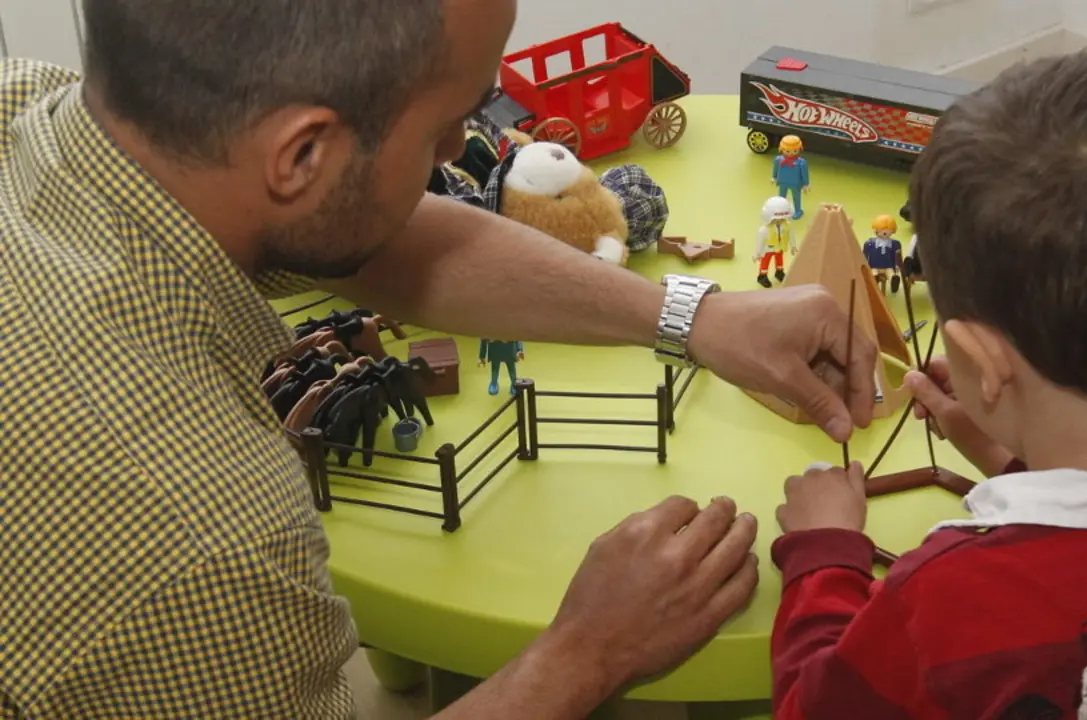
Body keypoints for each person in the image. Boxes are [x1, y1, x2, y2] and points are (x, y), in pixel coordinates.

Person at [0, 0, 884, 718]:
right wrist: (585, 655)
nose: (462, 150)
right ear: (302, 154)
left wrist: (695, 316)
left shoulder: (40, 103)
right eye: (445, 124)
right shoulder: (199, 544)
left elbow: (377, 230)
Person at [769, 52, 1087, 718]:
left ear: (984, 361)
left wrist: (823, 553)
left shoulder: (943, 598)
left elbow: (814, 708)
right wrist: (1008, 459)